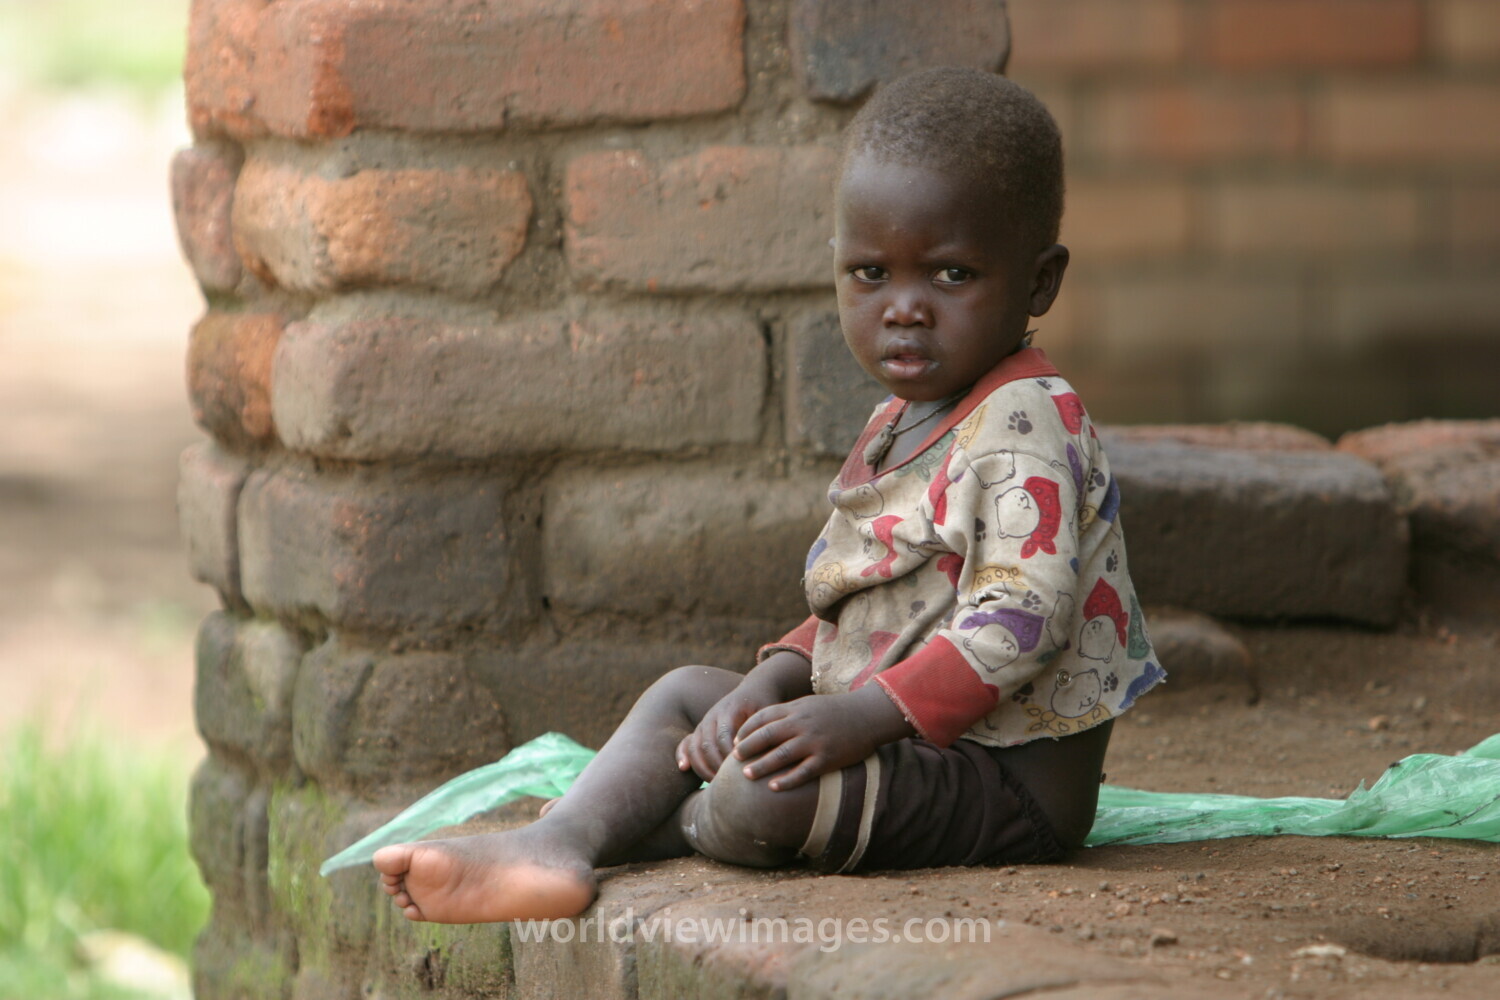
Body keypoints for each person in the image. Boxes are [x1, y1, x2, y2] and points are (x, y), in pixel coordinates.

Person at [372, 67, 1165, 924]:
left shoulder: (1025, 422)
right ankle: (561, 839)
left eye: (950, 276)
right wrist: (779, 682)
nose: (904, 309)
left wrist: (859, 717)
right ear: (835, 269)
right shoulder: (909, 416)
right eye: (871, 273)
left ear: (1039, 282)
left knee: (764, 791)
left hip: (1005, 782)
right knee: (689, 696)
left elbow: (1024, 617)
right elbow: (872, 598)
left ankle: (641, 828)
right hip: (892, 730)